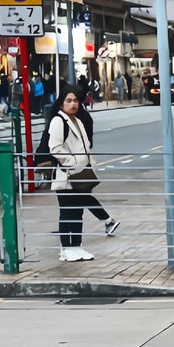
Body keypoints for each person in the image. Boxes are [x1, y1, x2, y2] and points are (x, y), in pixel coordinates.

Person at [45, 87, 118, 262]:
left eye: (75, 101)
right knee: (67, 213)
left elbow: (86, 147)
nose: (73, 104)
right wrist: (74, 163)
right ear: (61, 102)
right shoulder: (58, 121)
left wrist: (87, 165)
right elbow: (54, 148)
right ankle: (66, 248)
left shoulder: (76, 120)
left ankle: (76, 246)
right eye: (68, 101)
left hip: (79, 175)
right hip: (67, 175)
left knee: (77, 213)